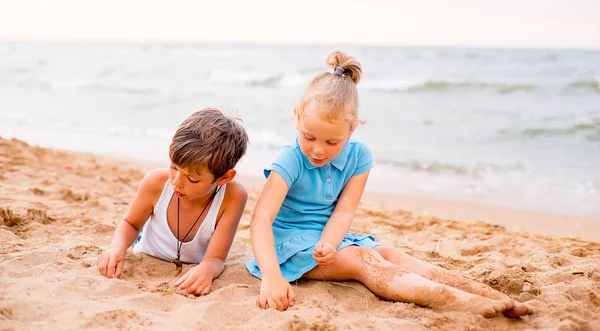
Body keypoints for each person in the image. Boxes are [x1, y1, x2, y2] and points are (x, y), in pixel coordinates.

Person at [246, 51, 534, 318]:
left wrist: (330, 243)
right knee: (363, 261)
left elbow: (344, 212)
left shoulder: (359, 156)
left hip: (330, 239)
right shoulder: (291, 159)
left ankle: (486, 294)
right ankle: (450, 300)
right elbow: (261, 218)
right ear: (296, 119)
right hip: (287, 248)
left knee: (391, 255)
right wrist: (272, 275)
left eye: (332, 141)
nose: (318, 150)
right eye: (309, 137)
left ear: (352, 128)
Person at [98, 108, 249, 296]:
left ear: (224, 177)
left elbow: (216, 259)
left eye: (192, 178)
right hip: (147, 249)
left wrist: (206, 270)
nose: (176, 181)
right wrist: (117, 247)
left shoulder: (233, 196)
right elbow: (130, 223)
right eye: (173, 167)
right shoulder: (156, 182)